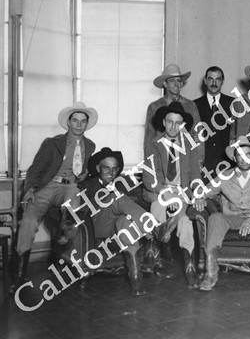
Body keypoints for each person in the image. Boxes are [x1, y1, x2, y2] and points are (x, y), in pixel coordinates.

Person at [11, 102, 97, 293]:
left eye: (83, 121)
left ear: (86, 124)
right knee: (28, 222)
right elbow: (36, 169)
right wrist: (30, 190)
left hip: (69, 187)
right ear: (68, 122)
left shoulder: (90, 146)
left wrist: (84, 175)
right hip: (46, 186)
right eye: (75, 120)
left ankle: (64, 236)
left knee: (74, 196)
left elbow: (86, 169)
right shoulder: (52, 143)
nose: (79, 125)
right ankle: (19, 274)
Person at [194, 136, 250, 292]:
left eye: (247, 154)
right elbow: (204, 190)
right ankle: (211, 273)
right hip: (232, 217)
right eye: (239, 155)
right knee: (215, 218)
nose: (243, 159)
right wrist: (200, 197)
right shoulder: (224, 176)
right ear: (234, 158)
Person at [142, 102, 202, 289]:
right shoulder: (154, 145)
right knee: (168, 210)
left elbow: (195, 175)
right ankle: (166, 239)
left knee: (182, 218)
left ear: (182, 124)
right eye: (170, 122)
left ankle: (187, 263)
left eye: (178, 122)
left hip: (182, 192)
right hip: (160, 190)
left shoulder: (189, 146)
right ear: (164, 122)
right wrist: (165, 190)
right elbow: (148, 177)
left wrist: (198, 193)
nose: (173, 126)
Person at [80, 147, 154, 296]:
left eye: (114, 169)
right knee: (116, 198)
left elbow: (140, 201)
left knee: (124, 223)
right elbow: (83, 212)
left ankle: (136, 281)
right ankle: (153, 229)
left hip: (117, 232)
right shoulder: (88, 185)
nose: (111, 173)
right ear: (97, 168)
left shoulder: (123, 183)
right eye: (106, 168)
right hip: (97, 230)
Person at [144, 64, 204, 166]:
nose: (177, 84)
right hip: (161, 160)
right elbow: (148, 140)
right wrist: (149, 164)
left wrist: (199, 161)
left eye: (179, 81)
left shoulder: (191, 106)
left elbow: (199, 135)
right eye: (172, 81)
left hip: (185, 160)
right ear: (165, 83)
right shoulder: (154, 107)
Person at [194, 66, 234, 179]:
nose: (214, 83)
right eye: (211, 79)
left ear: (223, 81)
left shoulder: (233, 104)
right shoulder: (194, 105)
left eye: (218, 79)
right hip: (204, 164)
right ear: (205, 81)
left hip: (227, 163)